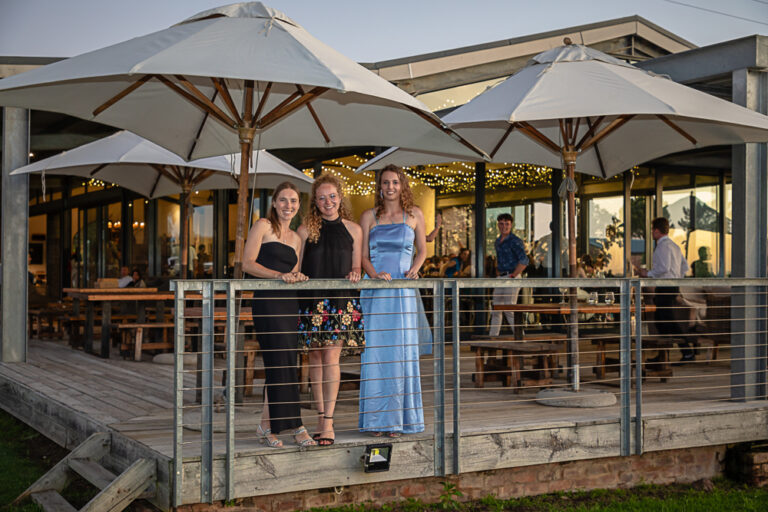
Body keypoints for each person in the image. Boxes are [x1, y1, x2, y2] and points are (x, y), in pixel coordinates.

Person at [242, 182, 316, 448]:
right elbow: (247, 263)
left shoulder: (297, 238)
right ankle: (296, 426)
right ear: (274, 203)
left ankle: (266, 426)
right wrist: (279, 276)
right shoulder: (263, 225)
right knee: (278, 361)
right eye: (283, 200)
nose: (288, 206)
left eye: (294, 201)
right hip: (267, 301)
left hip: (288, 303)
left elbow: (294, 271)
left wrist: (297, 276)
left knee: (285, 363)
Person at [358, 164, 427, 437]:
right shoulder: (368, 216)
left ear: (402, 185)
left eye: (395, 182)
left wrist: (415, 268)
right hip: (376, 290)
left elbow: (422, 250)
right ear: (379, 187)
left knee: (401, 354)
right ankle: (376, 421)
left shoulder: (415, 215)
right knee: (375, 353)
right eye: (385, 182)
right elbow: (362, 255)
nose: (390, 187)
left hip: (402, 292)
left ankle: (399, 419)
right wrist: (374, 274)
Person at [297, 173, 364, 447]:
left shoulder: (354, 229)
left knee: (332, 358)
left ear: (340, 197)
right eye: (322, 197)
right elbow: (296, 267)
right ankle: (319, 416)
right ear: (315, 200)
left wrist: (357, 273)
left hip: (339, 301)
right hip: (311, 300)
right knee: (315, 358)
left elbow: (357, 266)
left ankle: (328, 422)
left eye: (332, 196)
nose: (328, 202)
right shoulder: (305, 229)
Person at [634, 217, 693, 364]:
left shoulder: (662, 246)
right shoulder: (674, 246)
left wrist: (646, 273)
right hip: (673, 286)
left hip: (665, 286)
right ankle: (665, 354)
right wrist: (677, 278)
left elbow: (664, 268)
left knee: (665, 320)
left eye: (652, 229)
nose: (652, 232)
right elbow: (684, 267)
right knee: (663, 320)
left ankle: (685, 351)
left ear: (656, 230)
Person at [489, 213, 529, 337]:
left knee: (509, 309)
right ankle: (493, 338)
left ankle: (521, 339)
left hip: (512, 277)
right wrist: (498, 271)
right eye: (501, 224)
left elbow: (524, 260)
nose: (504, 226)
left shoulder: (515, 241)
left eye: (507, 224)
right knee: (496, 308)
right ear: (498, 225)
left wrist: (514, 275)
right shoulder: (497, 241)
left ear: (511, 225)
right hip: (501, 277)